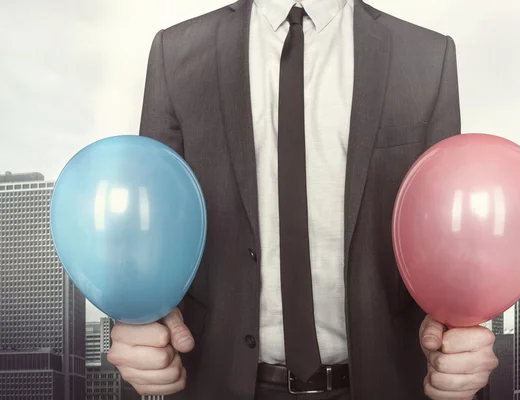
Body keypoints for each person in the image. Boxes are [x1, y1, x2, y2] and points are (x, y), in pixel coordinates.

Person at [106, 0, 499, 399]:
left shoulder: (428, 57)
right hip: (214, 382)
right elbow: (150, 230)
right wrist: (139, 329)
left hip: (388, 383)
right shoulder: (175, 54)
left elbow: (448, 238)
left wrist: (463, 340)